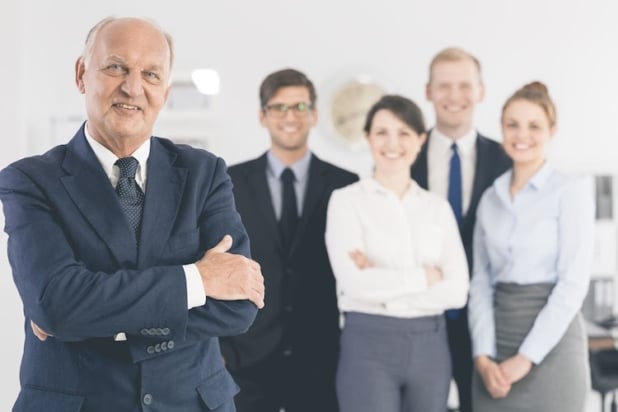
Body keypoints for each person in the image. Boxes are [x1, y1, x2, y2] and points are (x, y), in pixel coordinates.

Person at [0, 17, 265, 412]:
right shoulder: (30, 180)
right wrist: (197, 280)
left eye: (151, 74)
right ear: (81, 74)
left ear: (166, 91)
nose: (133, 87)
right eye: (116, 67)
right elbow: (57, 304)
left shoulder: (204, 173)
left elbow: (239, 305)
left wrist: (94, 318)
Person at [219, 68, 358, 412]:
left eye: (299, 107)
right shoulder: (229, 182)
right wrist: (218, 350)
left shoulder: (345, 184)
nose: (290, 117)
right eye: (279, 107)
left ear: (314, 114)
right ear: (262, 116)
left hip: (320, 356)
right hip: (246, 356)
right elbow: (216, 263)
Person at [325, 95, 469, 412]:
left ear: (420, 140)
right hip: (367, 344)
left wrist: (384, 288)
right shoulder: (346, 202)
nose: (393, 143)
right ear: (368, 138)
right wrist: (425, 277)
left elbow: (457, 291)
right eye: (382, 132)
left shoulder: (436, 208)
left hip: (430, 345)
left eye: (404, 133)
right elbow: (354, 284)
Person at [468, 81, 593, 411]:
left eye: (534, 126)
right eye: (513, 125)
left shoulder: (571, 191)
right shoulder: (489, 199)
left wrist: (526, 358)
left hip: (553, 344)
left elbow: (573, 283)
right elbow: (480, 283)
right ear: (502, 130)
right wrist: (482, 357)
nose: (522, 135)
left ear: (552, 130)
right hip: (497, 341)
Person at [410, 46, 511, 412]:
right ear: (428, 91)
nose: (454, 97)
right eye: (444, 86)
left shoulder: (506, 159)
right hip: (421, 318)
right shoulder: (403, 155)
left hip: (487, 322)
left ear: (481, 91)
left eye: (464, 86)